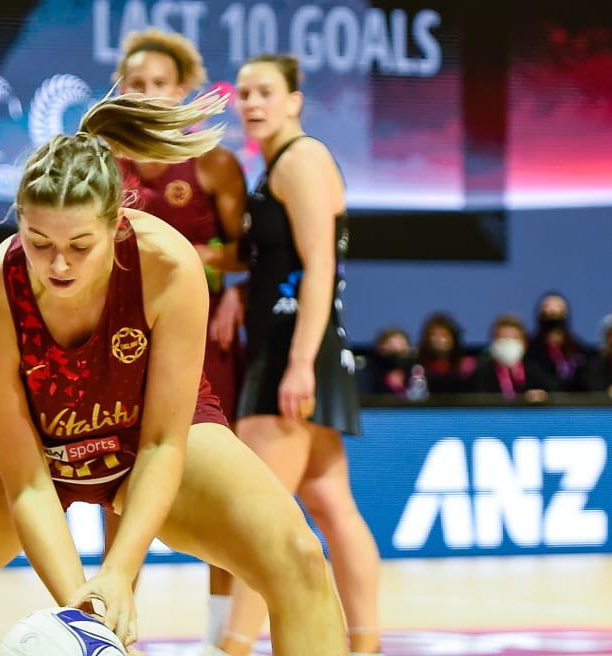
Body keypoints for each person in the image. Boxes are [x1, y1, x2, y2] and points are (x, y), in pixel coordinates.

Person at [0, 92, 347, 656]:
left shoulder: (167, 265)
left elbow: (165, 444)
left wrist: (119, 572)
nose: (59, 264)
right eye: (39, 244)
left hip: (142, 435)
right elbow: (29, 484)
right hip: (18, 459)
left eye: (79, 245)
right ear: (19, 226)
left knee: (300, 561)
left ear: (118, 225)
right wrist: (88, 616)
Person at [209, 54, 382, 656]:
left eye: (265, 93)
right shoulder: (277, 166)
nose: (252, 103)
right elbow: (274, 263)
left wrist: (300, 362)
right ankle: (365, 645)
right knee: (333, 508)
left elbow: (319, 265)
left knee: (259, 520)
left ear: (295, 100)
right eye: (244, 94)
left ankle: (231, 646)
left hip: (293, 355)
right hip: (298, 351)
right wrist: (236, 290)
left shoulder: (303, 159)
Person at [106, 28, 248, 648]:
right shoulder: (101, 163)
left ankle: (221, 638)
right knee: (115, 489)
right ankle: (114, 628)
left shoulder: (215, 163)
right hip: (122, 345)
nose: (146, 93)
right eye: (134, 83)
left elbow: (249, 253)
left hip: (204, 347)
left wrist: (206, 265)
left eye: (158, 83)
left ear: (182, 90)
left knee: (218, 489)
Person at [472, 313, 556, 401]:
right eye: (503, 339)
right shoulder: (481, 375)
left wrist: (544, 396)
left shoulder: (535, 371)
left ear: (524, 343)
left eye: (514, 339)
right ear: (493, 343)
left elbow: (556, 393)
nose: (508, 344)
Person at [526, 292, 592, 392]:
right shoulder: (529, 350)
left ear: (566, 313)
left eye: (558, 308)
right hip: (544, 404)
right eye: (547, 308)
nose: (552, 311)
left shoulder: (579, 350)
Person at [414, 312, 476, 395]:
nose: (439, 340)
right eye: (434, 336)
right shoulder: (418, 368)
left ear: (453, 338)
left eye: (444, 335)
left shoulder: (468, 366)